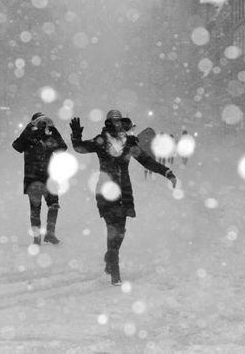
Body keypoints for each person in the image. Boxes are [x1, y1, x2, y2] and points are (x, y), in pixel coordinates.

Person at [69, 110, 177, 286]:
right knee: (113, 230)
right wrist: (76, 135)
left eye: (119, 121)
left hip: (124, 193)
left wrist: (167, 172)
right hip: (104, 191)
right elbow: (80, 148)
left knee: (120, 232)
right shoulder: (101, 140)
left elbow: (147, 161)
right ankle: (115, 274)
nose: (117, 124)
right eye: (113, 121)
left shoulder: (129, 144)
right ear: (109, 123)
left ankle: (110, 258)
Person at [12, 112, 67, 245]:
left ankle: (50, 233)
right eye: (38, 122)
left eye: (44, 122)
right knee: (35, 209)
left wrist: (53, 130)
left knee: (54, 205)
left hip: (49, 178)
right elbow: (16, 146)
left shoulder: (49, 137)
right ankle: (36, 238)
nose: (42, 125)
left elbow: (62, 148)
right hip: (33, 179)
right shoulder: (28, 137)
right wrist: (28, 129)